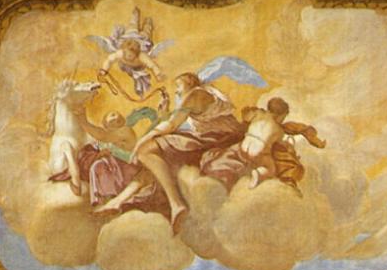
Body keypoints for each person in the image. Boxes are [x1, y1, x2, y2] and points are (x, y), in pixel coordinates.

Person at [102, 72, 244, 231]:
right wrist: (163, 115)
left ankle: (176, 204)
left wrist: (141, 142)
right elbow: (174, 122)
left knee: (145, 150)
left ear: (189, 82)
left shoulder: (195, 94)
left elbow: (172, 125)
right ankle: (118, 201)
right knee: (154, 161)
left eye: (178, 86)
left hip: (217, 137)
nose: (176, 91)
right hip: (213, 136)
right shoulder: (204, 94)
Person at [201, 97, 326, 193]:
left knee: (234, 153)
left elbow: (246, 115)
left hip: (244, 146)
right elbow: (278, 145)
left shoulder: (258, 115)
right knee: (270, 168)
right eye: (283, 117)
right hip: (258, 152)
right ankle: (259, 174)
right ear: (280, 115)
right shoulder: (279, 129)